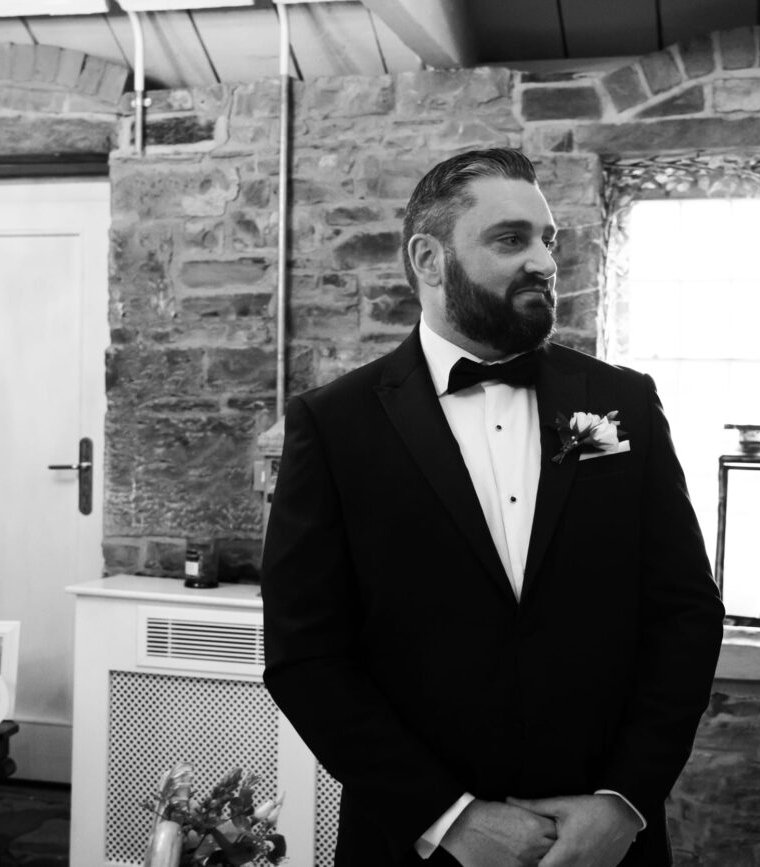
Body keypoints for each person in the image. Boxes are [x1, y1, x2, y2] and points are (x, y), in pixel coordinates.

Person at [260, 148, 724, 867]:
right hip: (415, 847)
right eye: (511, 240)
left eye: (549, 240)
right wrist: (451, 820)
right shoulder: (334, 424)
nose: (542, 259)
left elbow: (686, 612)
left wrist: (625, 801)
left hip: (602, 844)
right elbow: (306, 656)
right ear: (429, 258)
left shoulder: (621, 402)